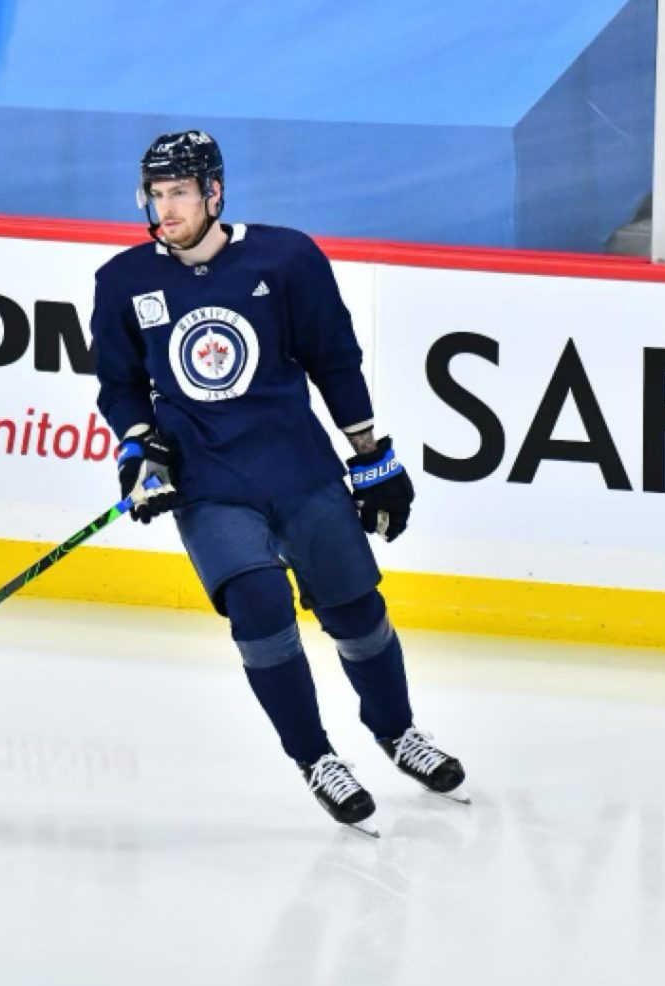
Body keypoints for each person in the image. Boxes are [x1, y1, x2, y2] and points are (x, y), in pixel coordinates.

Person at [91, 130, 468, 833]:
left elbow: (334, 360)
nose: (165, 208)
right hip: (209, 479)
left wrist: (370, 456)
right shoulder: (122, 281)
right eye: (156, 194)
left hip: (298, 465)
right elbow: (119, 386)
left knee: (356, 612)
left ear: (214, 192)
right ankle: (316, 757)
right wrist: (139, 445)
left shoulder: (286, 257)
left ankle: (397, 732)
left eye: (180, 192)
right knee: (259, 603)